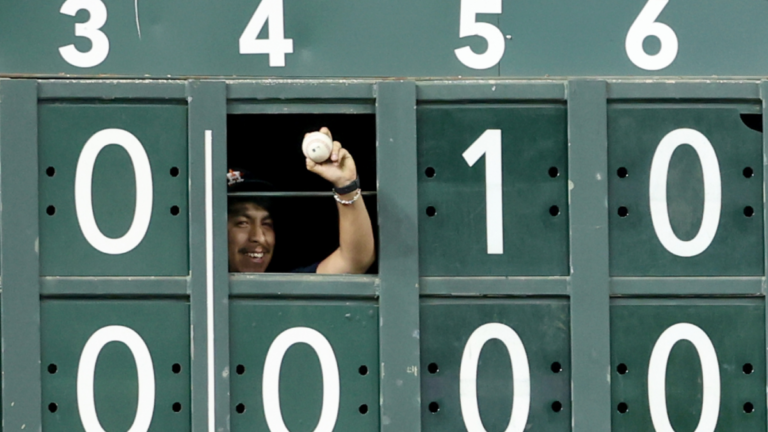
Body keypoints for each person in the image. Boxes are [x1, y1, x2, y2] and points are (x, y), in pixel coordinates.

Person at [227, 127, 375, 274]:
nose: (259, 237)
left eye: (266, 224)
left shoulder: (283, 288)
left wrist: (345, 185)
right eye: (242, 223)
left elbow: (355, 261)